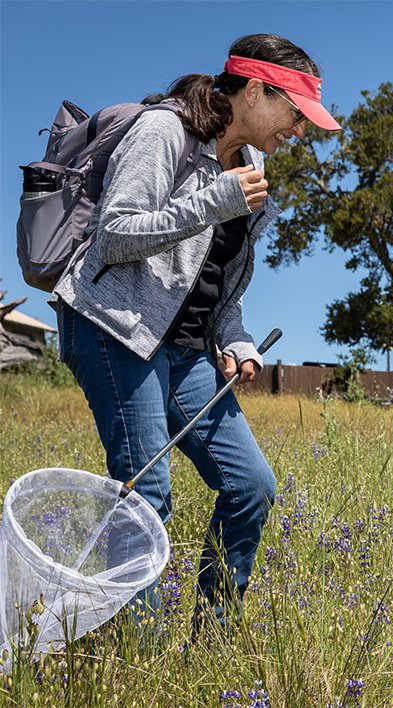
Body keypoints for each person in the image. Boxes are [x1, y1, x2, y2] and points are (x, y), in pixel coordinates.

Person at [52, 34, 342, 626]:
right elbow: (115, 234)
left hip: (183, 349)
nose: (299, 130)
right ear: (256, 91)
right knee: (146, 493)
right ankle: (137, 648)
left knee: (251, 487)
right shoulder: (165, 131)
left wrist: (236, 342)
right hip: (113, 326)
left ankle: (213, 631)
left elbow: (218, 288)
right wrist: (213, 202)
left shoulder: (254, 170)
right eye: (296, 113)